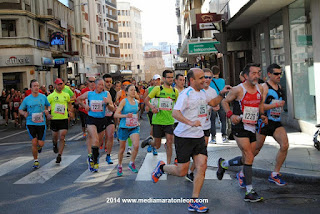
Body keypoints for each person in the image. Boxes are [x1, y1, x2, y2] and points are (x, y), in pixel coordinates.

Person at [151, 68, 230, 212]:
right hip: (184, 137)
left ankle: (194, 201)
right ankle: (161, 167)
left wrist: (221, 94)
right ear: (192, 80)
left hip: (198, 136)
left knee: (202, 166)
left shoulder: (203, 93)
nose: (204, 80)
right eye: (201, 78)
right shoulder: (185, 94)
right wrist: (191, 122)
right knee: (182, 171)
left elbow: (212, 102)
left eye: (205, 77)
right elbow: (175, 113)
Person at [218, 63, 267, 202]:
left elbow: (260, 104)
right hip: (240, 126)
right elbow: (225, 102)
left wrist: (262, 115)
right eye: (253, 73)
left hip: (252, 125)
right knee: (248, 155)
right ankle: (249, 191)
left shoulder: (260, 88)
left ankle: (224, 164)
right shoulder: (238, 90)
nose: (256, 75)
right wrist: (230, 115)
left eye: (258, 72)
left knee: (248, 158)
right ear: (246, 76)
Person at [254, 63, 288, 186]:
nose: (279, 76)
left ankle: (275, 174)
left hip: (275, 121)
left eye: (280, 73)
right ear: (269, 74)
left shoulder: (279, 87)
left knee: (284, 145)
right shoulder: (264, 87)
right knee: (256, 149)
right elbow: (259, 105)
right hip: (264, 121)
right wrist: (275, 105)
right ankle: (242, 172)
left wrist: (279, 105)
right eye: (276, 74)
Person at [185, 68, 219, 182]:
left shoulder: (212, 92)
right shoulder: (190, 92)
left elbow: (213, 105)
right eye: (205, 77)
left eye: (210, 78)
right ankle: (186, 167)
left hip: (205, 125)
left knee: (202, 151)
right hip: (192, 127)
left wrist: (215, 108)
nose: (207, 80)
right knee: (193, 152)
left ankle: (191, 172)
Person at [142, 70, 179, 164]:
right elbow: (146, 100)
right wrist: (152, 107)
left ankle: (168, 164)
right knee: (157, 145)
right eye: (169, 77)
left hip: (169, 121)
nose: (171, 79)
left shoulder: (175, 91)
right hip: (158, 121)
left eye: (172, 77)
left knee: (170, 142)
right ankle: (150, 142)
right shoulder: (158, 89)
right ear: (164, 78)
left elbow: (178, 105)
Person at [77, 78, 114, 172]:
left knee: (99, 142)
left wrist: (108, 103)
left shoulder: (106, 94)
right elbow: (78, 99)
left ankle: (94, 157)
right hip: (91, 119)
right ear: (95, 85)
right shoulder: (90, 94)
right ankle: (93, 160)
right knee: (95, 139)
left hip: (102, 120)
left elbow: (112, 108)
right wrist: (85, 106)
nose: (101, 87)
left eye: (103, 85)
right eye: (100, 85)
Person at [19, 79, 51, 168]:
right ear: (31, 88)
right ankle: (35, 160)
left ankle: (39, 147)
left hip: (41, 123)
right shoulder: (27, 99)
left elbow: (49, 105)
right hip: (30, 122)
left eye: (37, 86)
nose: (36, 88)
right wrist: (24, 113)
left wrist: (47, 110)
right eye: (34, 86)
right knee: (34, 142)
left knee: (40, 143)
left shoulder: (43, 97)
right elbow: (20, 109)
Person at [114, 84, 140, 176]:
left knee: (136, 145)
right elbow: (116, 114)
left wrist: (136, 121)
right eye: (132, 90)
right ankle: (120, 165)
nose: (134, 92)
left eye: (135, 90)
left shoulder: (136, 102)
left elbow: (135, 113)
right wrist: (125, 116)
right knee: (122, 149)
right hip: (124, 127)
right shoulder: (124, 102)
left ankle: (131, 163)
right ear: (127, 92)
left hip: (134, 127)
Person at [47, 78, 71, 164]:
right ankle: (54, 144)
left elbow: (69, 103)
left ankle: (59, 155)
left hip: (63, 118)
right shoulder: (51, 96)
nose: (60, 86)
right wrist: (48, 114)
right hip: (54, 119)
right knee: (55, 136)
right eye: (58, 84)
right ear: (55, 85)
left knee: (62, 136)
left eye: (61, 84)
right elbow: (46, 106)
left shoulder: (66, 95)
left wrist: (70, 112)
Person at [141, 74, 161, 154]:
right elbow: (145, 98)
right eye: (155, 80)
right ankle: (152, 145)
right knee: (153, 127)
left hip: (160, 111)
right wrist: (147, 106)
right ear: (152, 81)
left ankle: (153, 143)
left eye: (158, 80)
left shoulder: (162, 89)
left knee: (158, 128)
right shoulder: (149, 89)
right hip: (151, 110)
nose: (157, 81)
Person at [101, 74, 117, 164]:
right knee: (100, 138)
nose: (109, 83)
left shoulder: (113, 92)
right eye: (107, 81)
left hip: (109, 116)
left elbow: (113, 105)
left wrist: (113, 106)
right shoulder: (99, 91)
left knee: (110, 135)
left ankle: (108, 155)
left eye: (110, 82)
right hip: (99, 117)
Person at [210, 66, 228, 143]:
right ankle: (224, 136)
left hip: (213, 101)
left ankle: (213, 137)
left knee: (212, 120)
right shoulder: (222, 81)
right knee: (223, 119)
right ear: (219, 72)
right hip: (222, 100)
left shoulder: (210, 81)